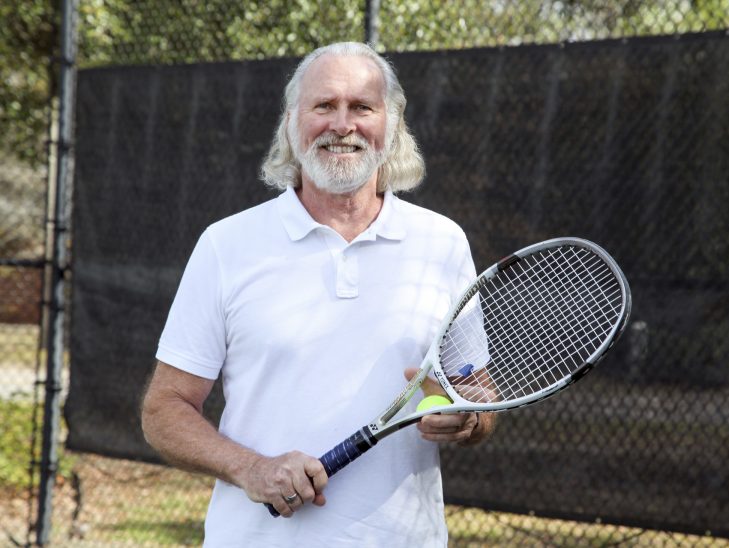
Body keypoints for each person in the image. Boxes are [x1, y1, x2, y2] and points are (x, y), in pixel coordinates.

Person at [141, 41, 497, 547]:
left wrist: (469, 416)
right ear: (291, 121)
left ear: (391, 124)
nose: (343, 124)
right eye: (324, 105)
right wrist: (252, 469)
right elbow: (164, 409)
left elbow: (474, 393)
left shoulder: (442, 243)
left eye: (362, 107)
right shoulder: (227, 245)